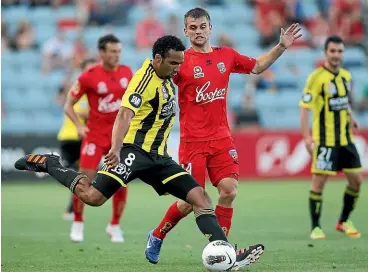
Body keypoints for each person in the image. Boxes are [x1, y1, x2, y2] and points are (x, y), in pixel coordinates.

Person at [14, 35, 264, 271]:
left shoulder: (167, 72)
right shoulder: (144, 80)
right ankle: (51, 164)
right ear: (158, 59)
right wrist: (116, 148)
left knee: (200, 199)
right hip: (133, 152)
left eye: (180, 63)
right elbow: (124, 114)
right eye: (173, 63)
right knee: (93, 197)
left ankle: (226, 252)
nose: (178, 68)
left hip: (159, 157)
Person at [145, 7, 301, 264]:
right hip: (192, 142)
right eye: (192, 28)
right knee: (192, 202)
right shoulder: (179, 61)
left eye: (202, 26)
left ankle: (223, 253)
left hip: (221, 138)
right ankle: (157, 235)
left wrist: (281, 46)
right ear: (185, 31)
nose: (198, 32)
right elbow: (155, 77)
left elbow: (258, 66)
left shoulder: (226, 56)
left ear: (210, 28)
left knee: (228, 191)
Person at [64, 34, 133, 243]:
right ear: (101, 53)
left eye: (118, 51)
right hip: (94, 136)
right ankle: (78, 222)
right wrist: (78, 126)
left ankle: (115, 225)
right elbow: (68, 105)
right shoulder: (88, 76)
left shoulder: (127, 72)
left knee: (121, 181)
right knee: (83, 179)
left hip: (118, 139)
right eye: (112, 51)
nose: (116, 55)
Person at [299, 35, 363, 240]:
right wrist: (307, 137)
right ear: (326, 53)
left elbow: (345, 102)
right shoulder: (316, 78)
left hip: (345, 139)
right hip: (325, 140)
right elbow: (304, 107)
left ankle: (343, 221)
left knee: (356, 181)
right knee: (318, 184)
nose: (336, 55)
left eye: (340, 51)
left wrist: (352, 118)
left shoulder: (346, 76)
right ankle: (315, 227)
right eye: (332, 51)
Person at [57, 58, 96, 220]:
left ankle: (72, 210)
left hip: (85, 139)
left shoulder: (92, 90)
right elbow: (76, 110)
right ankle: (73, 210)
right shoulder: (80, 89)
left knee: (83, 177)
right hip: (70, 138)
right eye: (89, 69)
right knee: (78, 176)